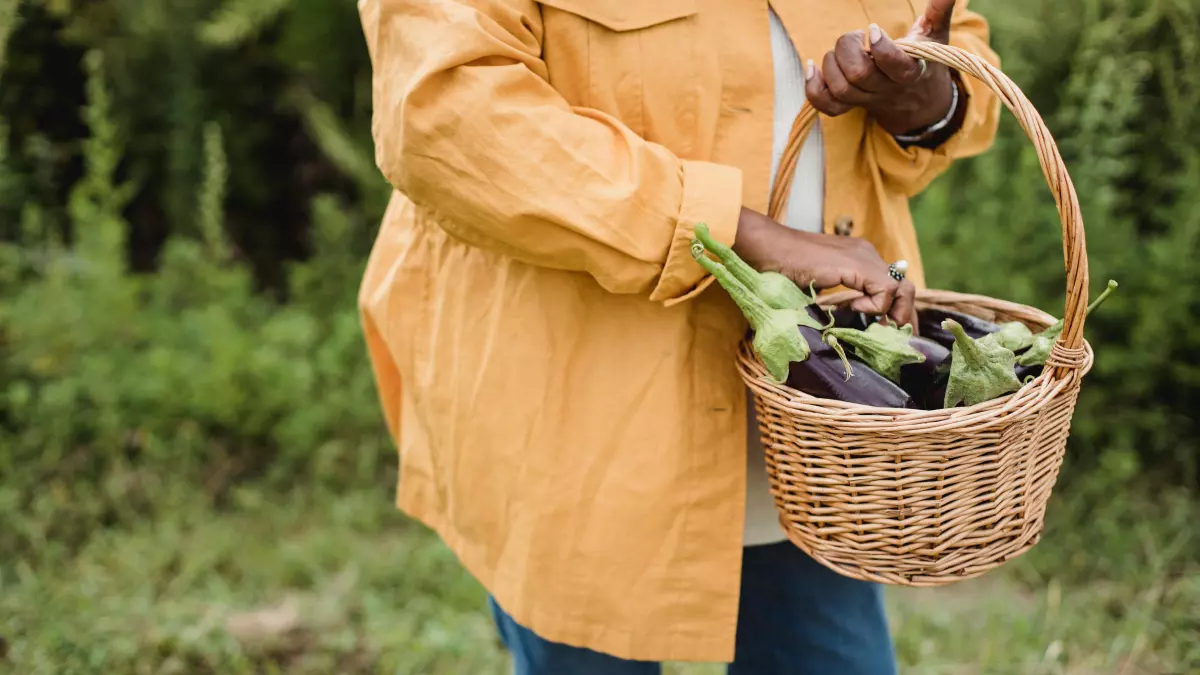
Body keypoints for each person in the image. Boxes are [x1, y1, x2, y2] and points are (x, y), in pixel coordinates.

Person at [356, 0, 1000, 672]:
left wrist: (927, 99)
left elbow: (953, 47)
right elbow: (444, 114)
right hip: (584, 408)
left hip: (824, 422)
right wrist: (739, 235)